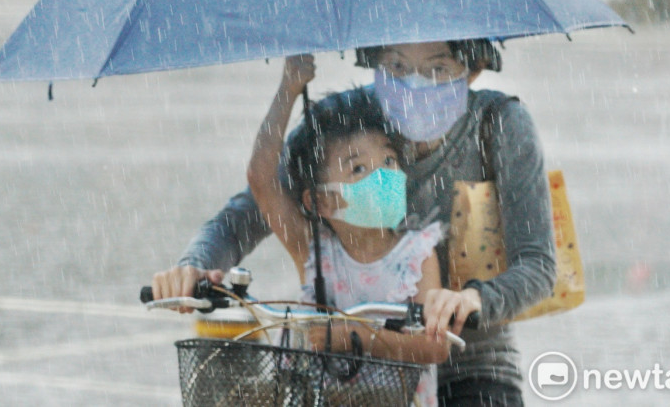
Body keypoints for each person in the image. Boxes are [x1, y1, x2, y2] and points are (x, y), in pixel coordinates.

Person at [153, 39, 557, 406]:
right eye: (396, 66)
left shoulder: (500, 124)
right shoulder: (341, 123)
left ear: (473, 68)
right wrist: (195, 266)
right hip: (343, 376)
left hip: (474, 365)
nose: (414, 84)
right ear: (374, 62)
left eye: (438, 68)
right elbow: (249, 208)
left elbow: (538, 266)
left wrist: (472, 300)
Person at [247, 54, 451, 406]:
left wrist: (355, 336)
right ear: (320, 203)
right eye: (357, 169)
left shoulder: (417, 255)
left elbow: (434, 346)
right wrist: (289, 89)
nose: (382, 176)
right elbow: (261, 179)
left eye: (388, 161)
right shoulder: (313, 250)